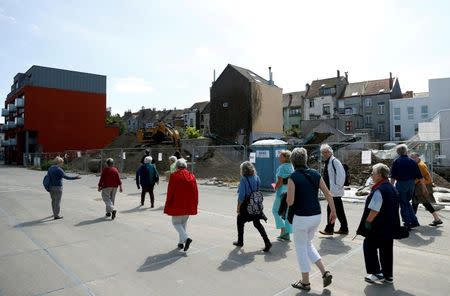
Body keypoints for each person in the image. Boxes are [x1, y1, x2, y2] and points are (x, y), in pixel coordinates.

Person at [287, 147, 336, 291]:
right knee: (308, 244)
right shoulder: (315, 174)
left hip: (301, 218)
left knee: (301, 248)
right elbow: (328, 194)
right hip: (316, 215)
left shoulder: (293, 177)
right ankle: (324, 272)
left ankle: (305, 282)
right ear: (306, 159)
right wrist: (333, 211)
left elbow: (290, 202)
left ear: (293, 162)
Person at [357, 163, 400, 284]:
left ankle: (376, 272)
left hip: (378, 227)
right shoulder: (391, 187)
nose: (371, 175)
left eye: (373, 173)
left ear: (380, 175)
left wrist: (367, 222)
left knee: (369, 246)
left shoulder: (379, 190)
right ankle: (388, 275)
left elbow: (375, 209)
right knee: (386, 250)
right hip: (390, 226)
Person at [234, 161, 272, 252]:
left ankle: (240, 241)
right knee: (257, 223)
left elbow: (241, 196)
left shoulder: (244, 179)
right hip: (255, 205)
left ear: (243, 170)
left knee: (240, 221)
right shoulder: (256, 177)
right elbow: (257, 190)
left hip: (246, 205)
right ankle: (267, 242)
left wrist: (238, 207)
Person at [164, 158, 198, 251]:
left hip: (177, 203)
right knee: (183, 223)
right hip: (188, 204)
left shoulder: (174, 176)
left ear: (177, 166)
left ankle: (186, 239)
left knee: (176, 223)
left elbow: (170, 191)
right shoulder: (192, 176)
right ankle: (180, 243)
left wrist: (168, 202)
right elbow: (195, 191)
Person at [390, 144, 426, 230]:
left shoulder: (396, 161)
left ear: (398, 152)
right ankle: (414, 221)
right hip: (411, 184)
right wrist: (424, 187)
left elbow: (393, 177)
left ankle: (408, 223)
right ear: (406, 151)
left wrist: (391, 187)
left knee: (403, 203)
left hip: (401, 184)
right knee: (406, 202)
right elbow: (420, 176)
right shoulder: (412, 161)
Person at [319, 144, 349, 235]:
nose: (324, 154)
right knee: (339, 210)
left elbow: (341, 174)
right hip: (331, 190)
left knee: (331, 208)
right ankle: (344, 228)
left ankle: (329, 229)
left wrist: (338, 186)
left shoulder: (334, 161)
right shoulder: (328, 161)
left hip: (334, 190)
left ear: (330, 152)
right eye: (322, 152)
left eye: (325, 152)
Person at [410, 152, 443, 226]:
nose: (411, 159)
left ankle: (436, 219)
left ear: (417, 157)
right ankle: (436, 219)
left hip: (422, 185)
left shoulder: (420, 165)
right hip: (422, 185)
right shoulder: (419, 163)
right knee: (416, 202)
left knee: (421, 202)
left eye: (413, 157)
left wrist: (412, 183)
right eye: (411, 157)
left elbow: (419, 178)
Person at [272, 150, 294, 241]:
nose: (279, 157)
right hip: (289, 191)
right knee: (287, 212)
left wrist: (275, 187)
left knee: (275, 211)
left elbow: (280, 181)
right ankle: (287, 233)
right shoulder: (291, 167)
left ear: (285, 158)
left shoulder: (281, 167)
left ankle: (283, 230)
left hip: (281, 192)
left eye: (280, 156)